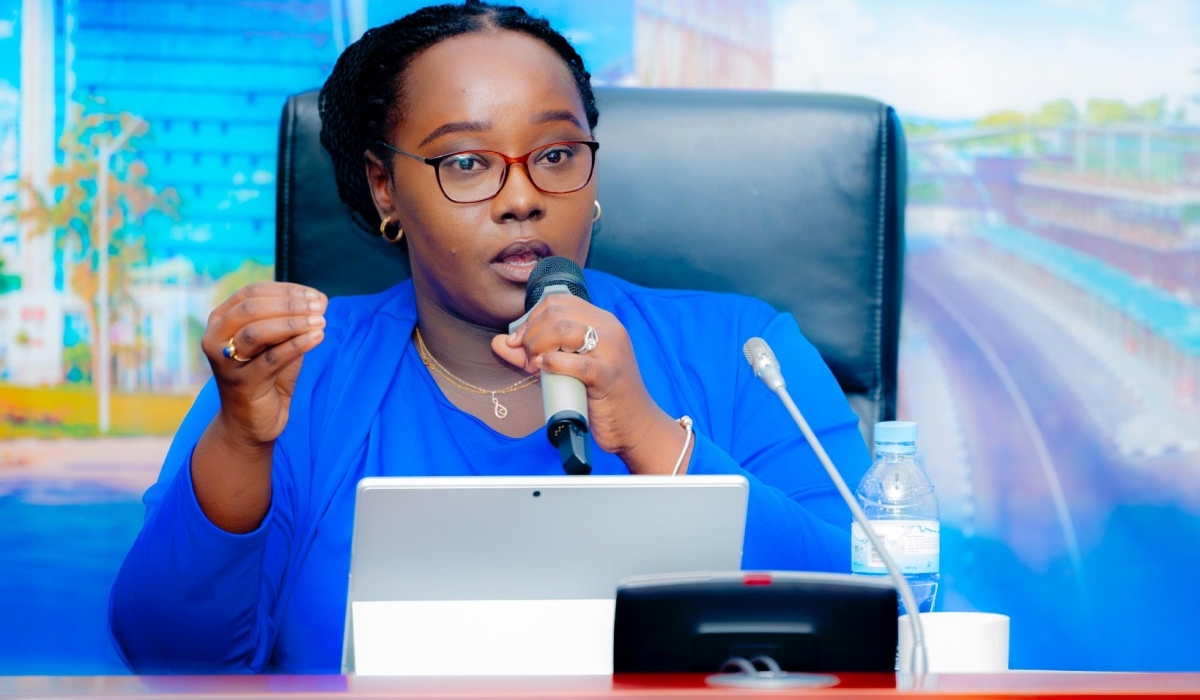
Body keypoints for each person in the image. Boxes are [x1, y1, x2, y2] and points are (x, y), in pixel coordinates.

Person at [109, 0, 872, 674]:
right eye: (468, 163)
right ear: (385, 187)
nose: (522, 199)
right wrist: (242, 444)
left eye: (556, 155)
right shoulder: (299, 373)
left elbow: (881, 614)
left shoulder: (743, 355)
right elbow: (173, 657)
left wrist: (649, 438)